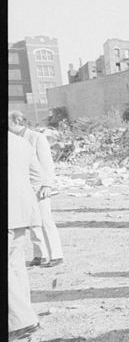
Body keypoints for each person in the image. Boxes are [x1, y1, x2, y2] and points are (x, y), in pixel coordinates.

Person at [8, 110, 64, 267]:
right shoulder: (13, 140)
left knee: (45, 220)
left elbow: (47, 163)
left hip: (40, 187)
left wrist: (47, 184)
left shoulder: (36, 137)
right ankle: (40, 254)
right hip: (24, 188)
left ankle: (56, 254)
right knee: (32, 222)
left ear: (17, 121)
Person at [8, 130, 44, 342]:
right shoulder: (20, 142)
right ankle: (24, 315)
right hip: (22, 211)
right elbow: (37, 176)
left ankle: (20, 321)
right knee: (16, 265)